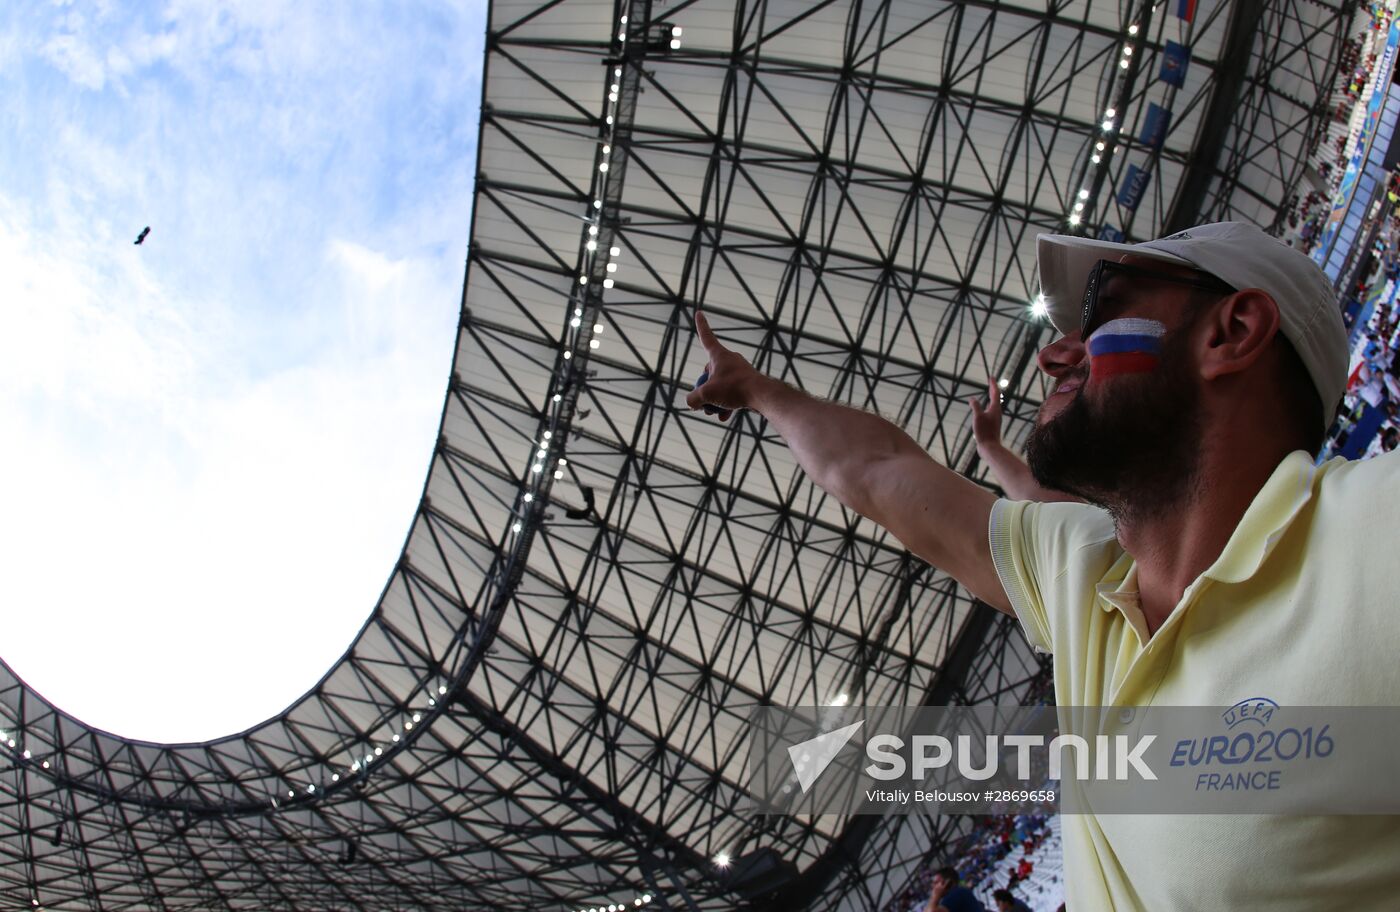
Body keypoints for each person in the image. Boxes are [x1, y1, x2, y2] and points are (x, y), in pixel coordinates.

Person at [685, 221, 1400, 909]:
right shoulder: (1084, 576)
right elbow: (877, 471)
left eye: (1103, 310)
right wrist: (760, 392)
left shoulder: (1371, 539)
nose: (1054, 355)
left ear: (1232, 333)